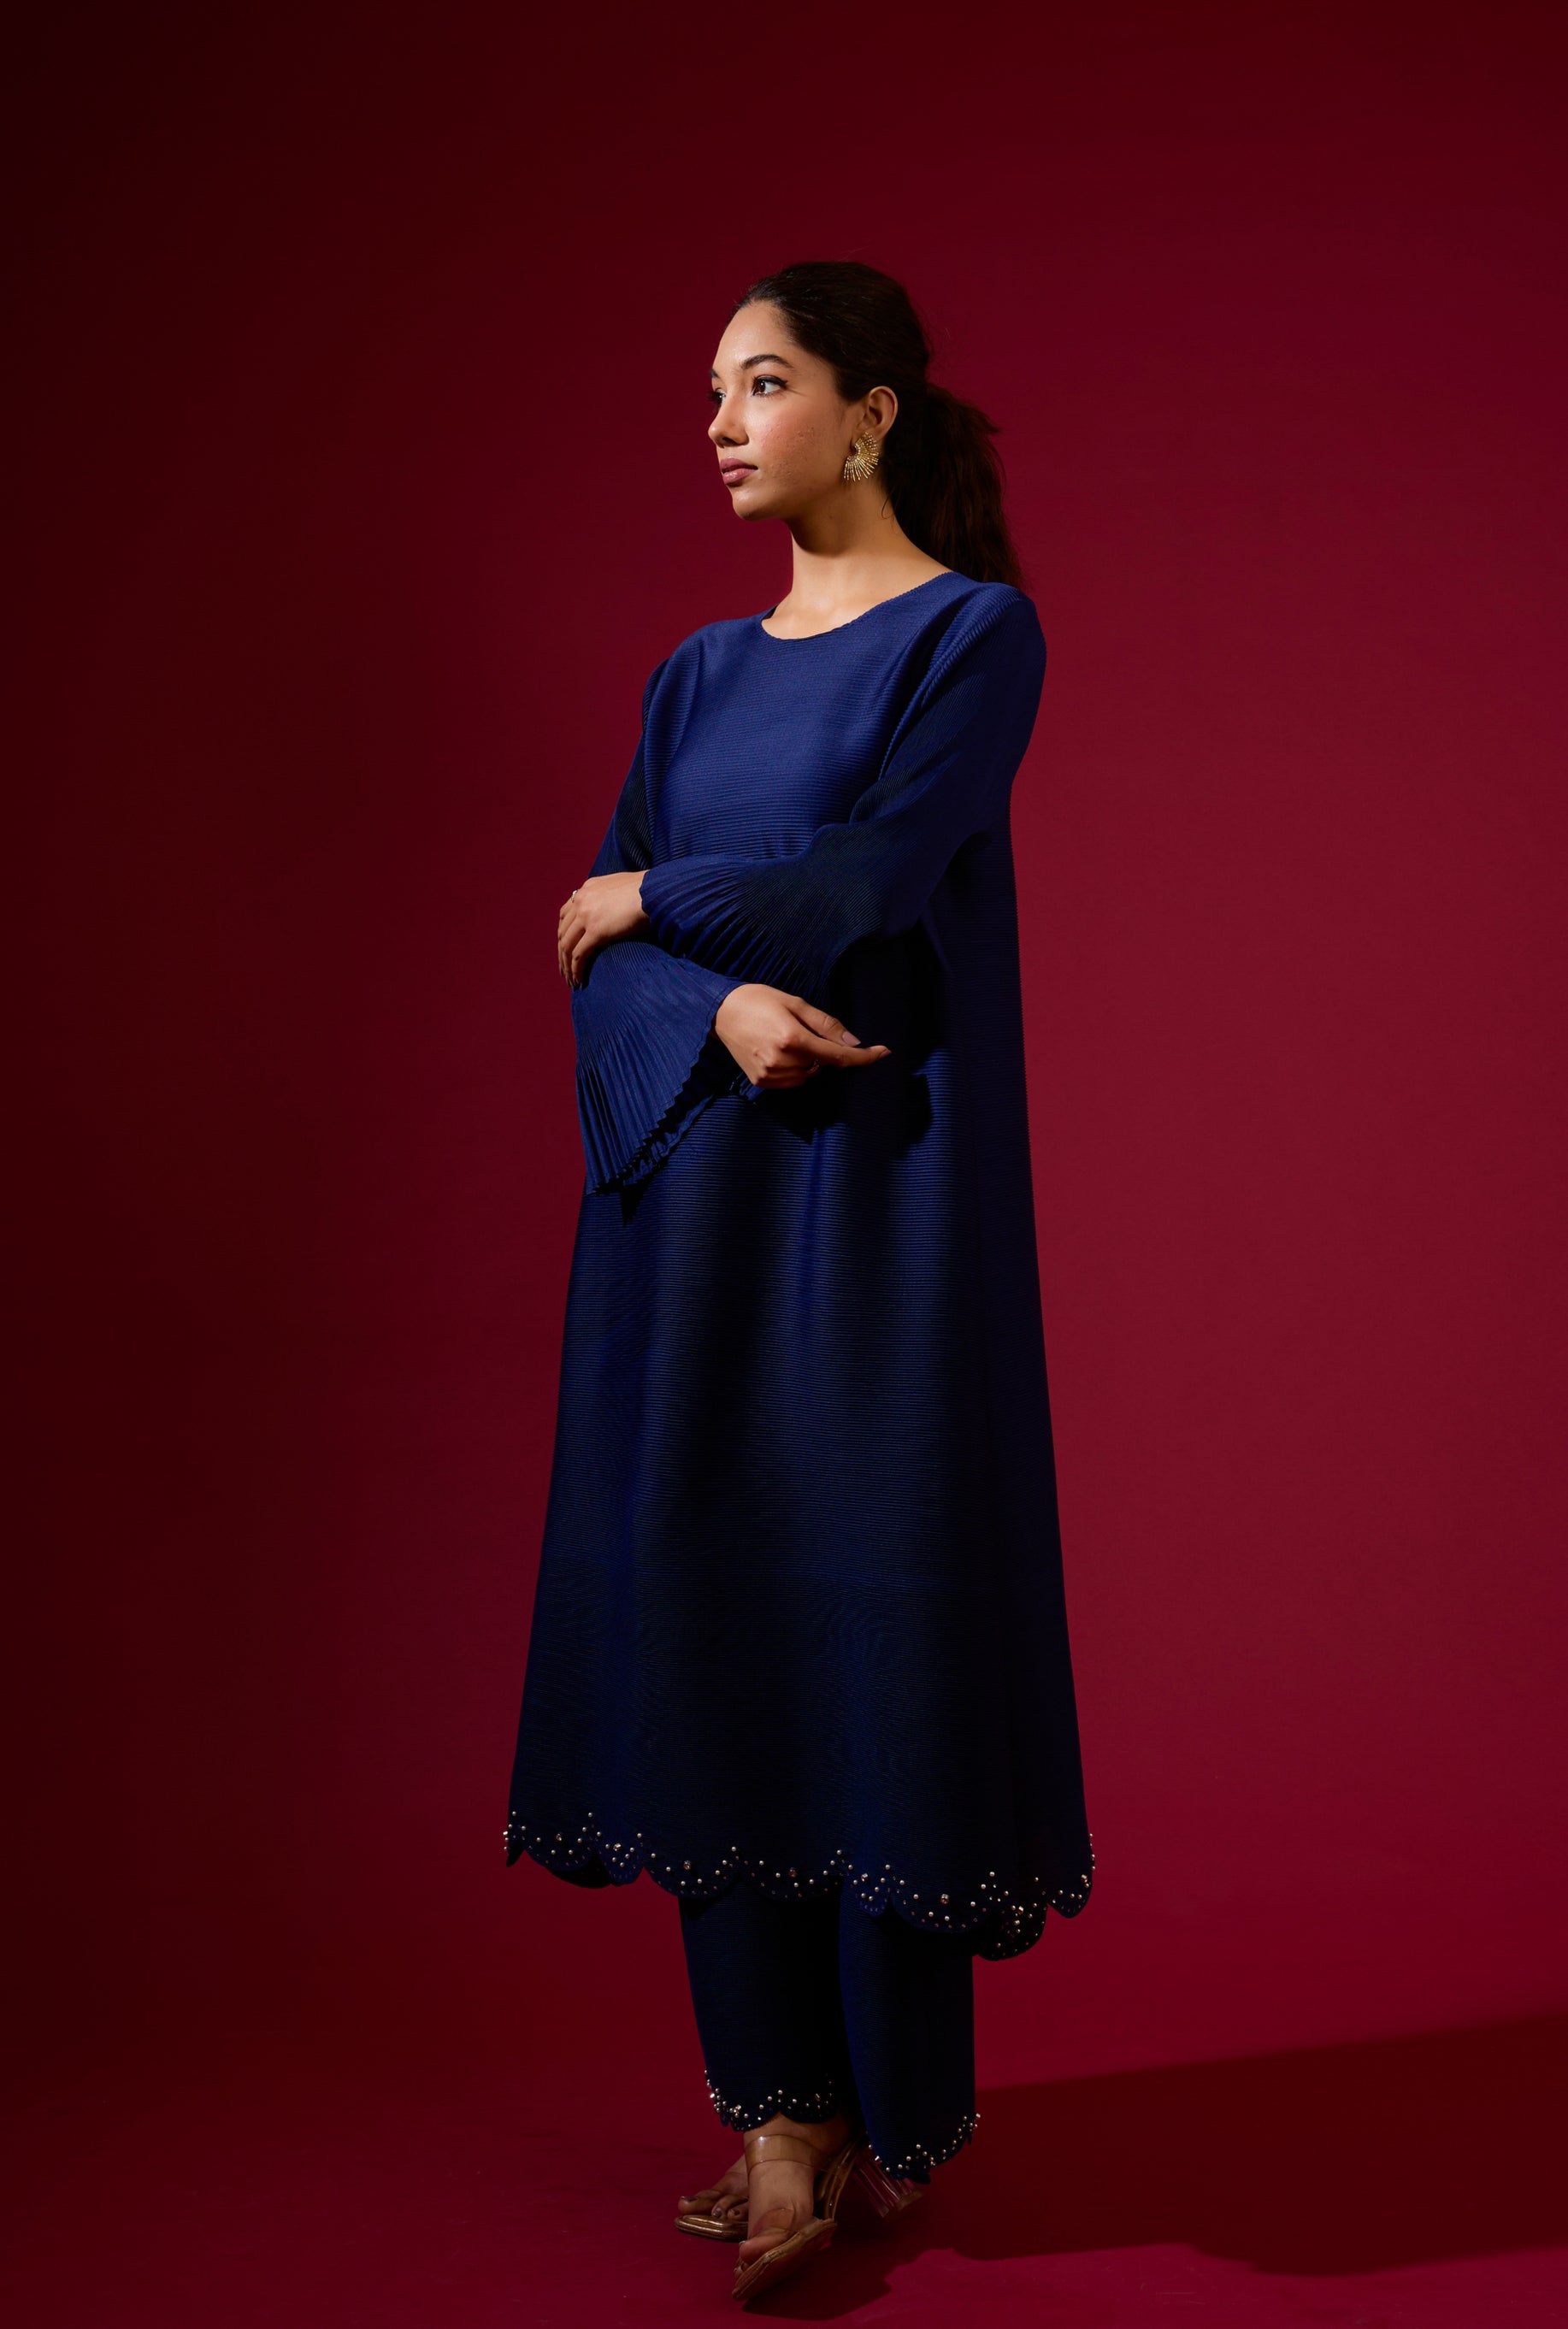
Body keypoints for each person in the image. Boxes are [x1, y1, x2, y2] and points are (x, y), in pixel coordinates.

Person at [505, 258, 1093, 2304]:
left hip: (879, 1211)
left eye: (761, 383)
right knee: (705, 1615)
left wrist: (653, 898)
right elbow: (594, 971)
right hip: (689, 1204)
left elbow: (866, 879)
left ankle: (881, 2112)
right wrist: (717, 1004)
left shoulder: (971, 635)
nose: (720, 423)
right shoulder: (690, 677)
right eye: (712, 391)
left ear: (872, 411)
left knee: (870, 1617)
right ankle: (776, 2117)